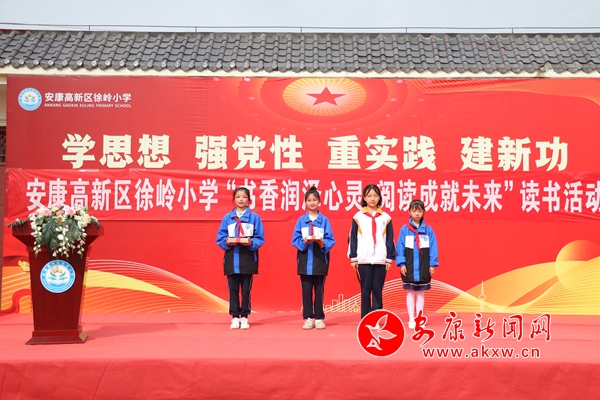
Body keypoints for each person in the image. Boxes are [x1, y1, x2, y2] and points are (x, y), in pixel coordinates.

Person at [216, 187, 265, 330]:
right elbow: (220, 238)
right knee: (232, 289)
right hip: (232, 259)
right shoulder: (228, 218)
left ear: (249, 199)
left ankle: (244, 317)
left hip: (248, 259)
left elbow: (260, 238)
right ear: (234, 199)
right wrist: (227, 242)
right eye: (238, 197)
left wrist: (251, 242)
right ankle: (234, 317)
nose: (241, 199)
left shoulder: (254, 217)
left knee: (245, 290)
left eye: (244, 197)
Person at [348, 184, 396, 319]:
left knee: (377, 290)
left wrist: (389, 258)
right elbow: (353, 238)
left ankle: (376, 317)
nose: (372, 199)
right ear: (364, 198)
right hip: (363, 259)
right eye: (369, 196)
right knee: (365, 290)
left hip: (380, 259)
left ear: (380, 197)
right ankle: (365, 318)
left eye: (375, 195)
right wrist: (353, 258)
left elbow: (390, 239)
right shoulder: (358, 217)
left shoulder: (386, 217)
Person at [292, 186, 336, 330]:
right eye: (309, 200)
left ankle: (319, 318)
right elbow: (295, 239)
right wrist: (304, 242)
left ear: (319, 202)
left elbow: (331, 239)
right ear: (305, 202)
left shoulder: (324, 220)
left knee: (319, 290)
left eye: (314, 200)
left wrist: (322, 243)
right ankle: (308, 317)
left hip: (320, 260)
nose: (312, 203)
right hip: (305, 260)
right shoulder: (301, 220)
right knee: (306, 291)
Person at [395, 199, 439, 330]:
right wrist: (401, 263)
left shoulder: (428, 229)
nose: (417, 213)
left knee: (420, 293)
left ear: (423, 212)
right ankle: (411, 319)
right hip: (408, 266)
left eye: (419, 210)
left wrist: (432, 264)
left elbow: (433, 247)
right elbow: (400, 247)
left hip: (423, 266)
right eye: (414, 211)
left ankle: (419, 319)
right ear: (409, 212)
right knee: (410, 292)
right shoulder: (405, 229)